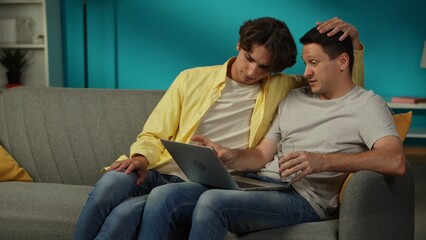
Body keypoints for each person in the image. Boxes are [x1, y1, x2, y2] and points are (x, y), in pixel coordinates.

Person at [73, 17, 364, 240]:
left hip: (208, 182)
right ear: (239, 45)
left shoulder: (284, 87)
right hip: (162, 171)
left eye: (264, 68)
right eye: (249, 59)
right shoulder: (191, 79)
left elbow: (344, 90)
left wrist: (355, 47)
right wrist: (141, 158)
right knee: (112, 182)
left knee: (124, 214)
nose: (252, 73)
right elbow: (152, 133)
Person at [138, 25, 406, 239]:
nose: (306, 72)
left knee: (213, 202)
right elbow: (260, 154)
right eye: (304, 63)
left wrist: (323, 160)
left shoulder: (368, 104)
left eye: (313, 63)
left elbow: (394, 160)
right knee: (165, 196)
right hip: (261, 184)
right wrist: (228, 155)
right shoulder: (294, 98)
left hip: (303, 198)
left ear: (343, 61)